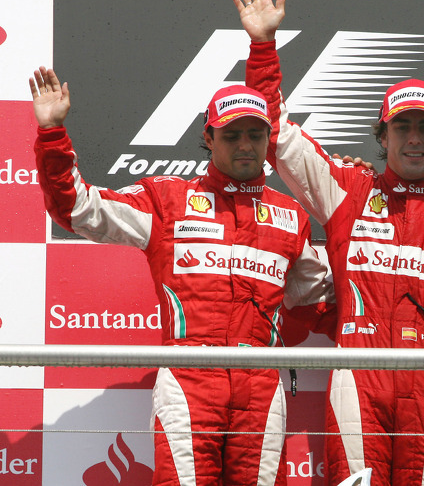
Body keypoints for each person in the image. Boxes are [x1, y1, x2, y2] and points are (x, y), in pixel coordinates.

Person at [230, 0, 424, 486]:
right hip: (356, 382)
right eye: (402, 126)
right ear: (381, 135)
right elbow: (277, 135)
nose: (414, 138)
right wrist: (262, 47)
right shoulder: (347, 190)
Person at [29, 69, 334, 486]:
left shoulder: (292, 217)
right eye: (231, 135)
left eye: (255, 134)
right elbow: (79, 211)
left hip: (261, 382)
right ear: (208, 138)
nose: (245, 145)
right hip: (189, 376)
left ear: (268, 140)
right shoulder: (167, 201)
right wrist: (51, 134)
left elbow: (321, 297)